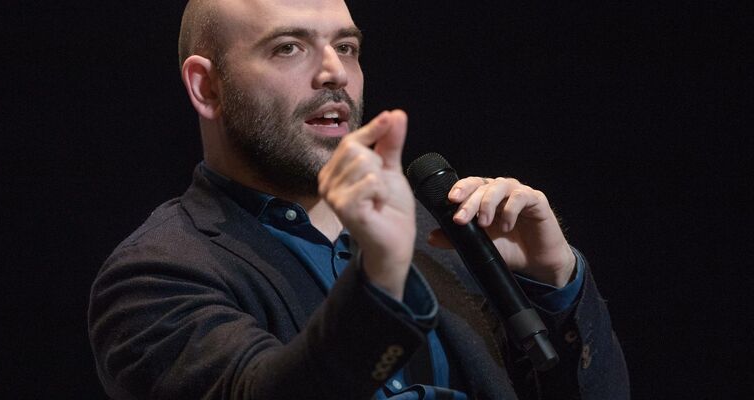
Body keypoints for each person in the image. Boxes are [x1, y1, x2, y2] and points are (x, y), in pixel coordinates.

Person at [88, 0, 630, 398]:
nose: (335, 73)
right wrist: (382, 279)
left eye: (346, 47)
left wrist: (555, 281)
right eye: (288, 47)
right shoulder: (156, 274)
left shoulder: (439, 235)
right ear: (207, 87)